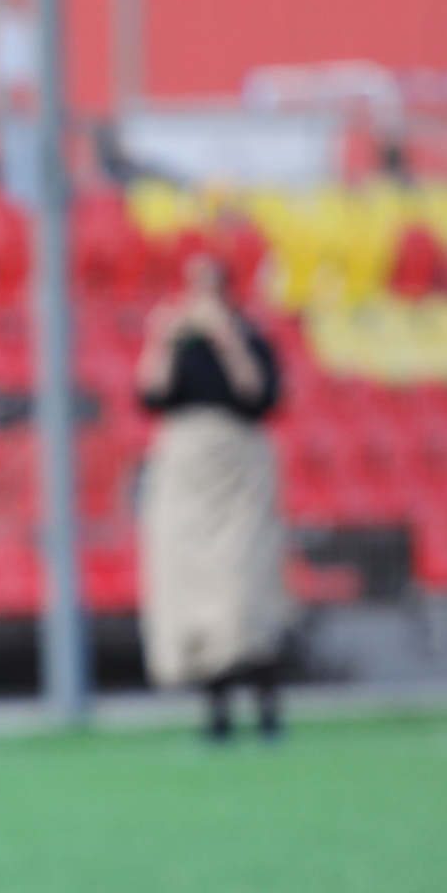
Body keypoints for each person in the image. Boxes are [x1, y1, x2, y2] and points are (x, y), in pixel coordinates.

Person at [133, 251, 291, 740]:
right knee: (193, 591)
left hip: (238, 468)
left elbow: (259, 396)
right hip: (187, 470)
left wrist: (229, 342)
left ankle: (266, 706)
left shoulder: (252, 340)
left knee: (246, 588)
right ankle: (215, 710)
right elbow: (150, 395)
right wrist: (160, 338)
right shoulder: (179, 344)